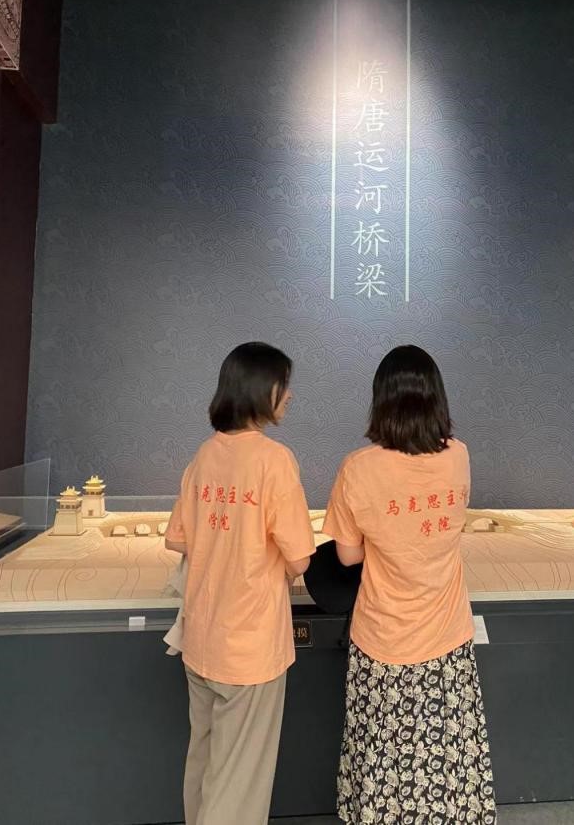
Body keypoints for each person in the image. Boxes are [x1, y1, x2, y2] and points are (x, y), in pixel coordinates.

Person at [324, 346, 497, 825]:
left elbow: (348, 556)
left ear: (381, 401)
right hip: (448, 637)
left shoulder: (358, 468)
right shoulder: (459, 456)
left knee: (384, 761)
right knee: (447, 762)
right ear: (437, 397)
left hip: (384, 640)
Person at [165, 342, 316, 825]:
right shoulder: (274, 460)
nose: (289, 395)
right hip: (249, 647)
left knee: (205, 765)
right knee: (237, 788)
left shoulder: (204, 455)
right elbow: (300, 558)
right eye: (284, 384)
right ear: (261, 389)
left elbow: (179, 538)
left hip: (201, 638)